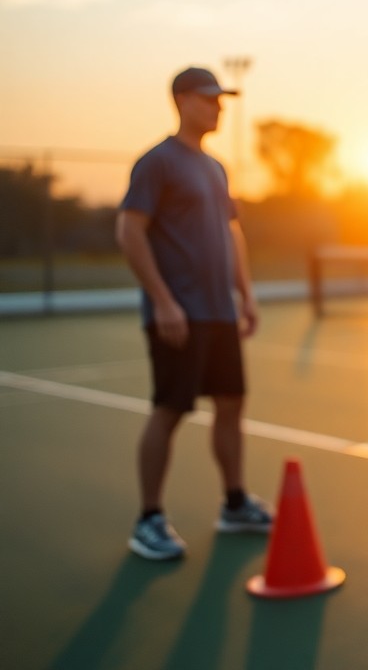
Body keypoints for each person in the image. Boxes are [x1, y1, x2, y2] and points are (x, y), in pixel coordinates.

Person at [117, 66, 273, 561]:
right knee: (169, 409)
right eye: (210, 99)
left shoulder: (216, 167)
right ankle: (149, 520)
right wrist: (163, 301)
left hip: (218, 313)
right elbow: (130, 231)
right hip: (177, 314)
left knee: (231, 404)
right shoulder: (156, 163)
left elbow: (232, 234)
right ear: (182, 100)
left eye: (221, 100)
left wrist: (245, 295)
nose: (218, 107)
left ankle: (233, 504)